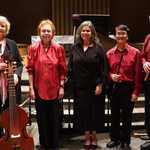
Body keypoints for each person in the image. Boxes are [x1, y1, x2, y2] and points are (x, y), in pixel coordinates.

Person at [26, 19, 67, 150]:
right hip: (39, 88)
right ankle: (43, 143)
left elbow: (62, 70)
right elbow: (30, 70)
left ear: (53, 33)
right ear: (39, 32)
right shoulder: (33, 48)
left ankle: (54, 144)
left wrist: (61, 87)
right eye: (43, 31)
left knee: (54, 119)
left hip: (54, 89)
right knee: (41, 118)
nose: (46, 33)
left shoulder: (58, 48)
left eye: (48, 31)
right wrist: (31, 88)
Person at [67, 20, 107, 150]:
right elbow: (70, 67)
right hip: (80, 88)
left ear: (92, 33)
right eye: (83, 30)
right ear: (80, 32)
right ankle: (86, 136)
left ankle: (94, 136)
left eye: (88, 30)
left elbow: (103, 68)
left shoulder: (98, 48)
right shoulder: (74, 48)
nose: (85, 32)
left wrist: (100, 84)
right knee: (84, 113)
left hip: (94, 87)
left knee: (94, 112)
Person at [106, 24, 142, 150]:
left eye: (123, 33)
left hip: (128, 87)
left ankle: (126, 141)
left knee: (127, 116)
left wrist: (136, 92)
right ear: (115, 36)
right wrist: (111, 76)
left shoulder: (135, 53)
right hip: (115, 88)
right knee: (114, 115)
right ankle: (114, 139)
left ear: (127, 36)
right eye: (118, 33)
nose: (120, 36)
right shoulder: (109, 53)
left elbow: (138, 74)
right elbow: (106, 71)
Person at [0, 15, 23, 137]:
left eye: (2, 26)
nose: (0, 28)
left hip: (10, 88)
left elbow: (19, 64)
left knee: (10, 115)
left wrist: (16, 75)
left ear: (6, 29)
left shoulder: (11, 44)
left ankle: (8, 139)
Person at [140, 34, 150, 141]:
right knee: (148, 106)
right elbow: (142, 55)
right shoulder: (148, 37)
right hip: (149, 77)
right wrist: (144, 63)